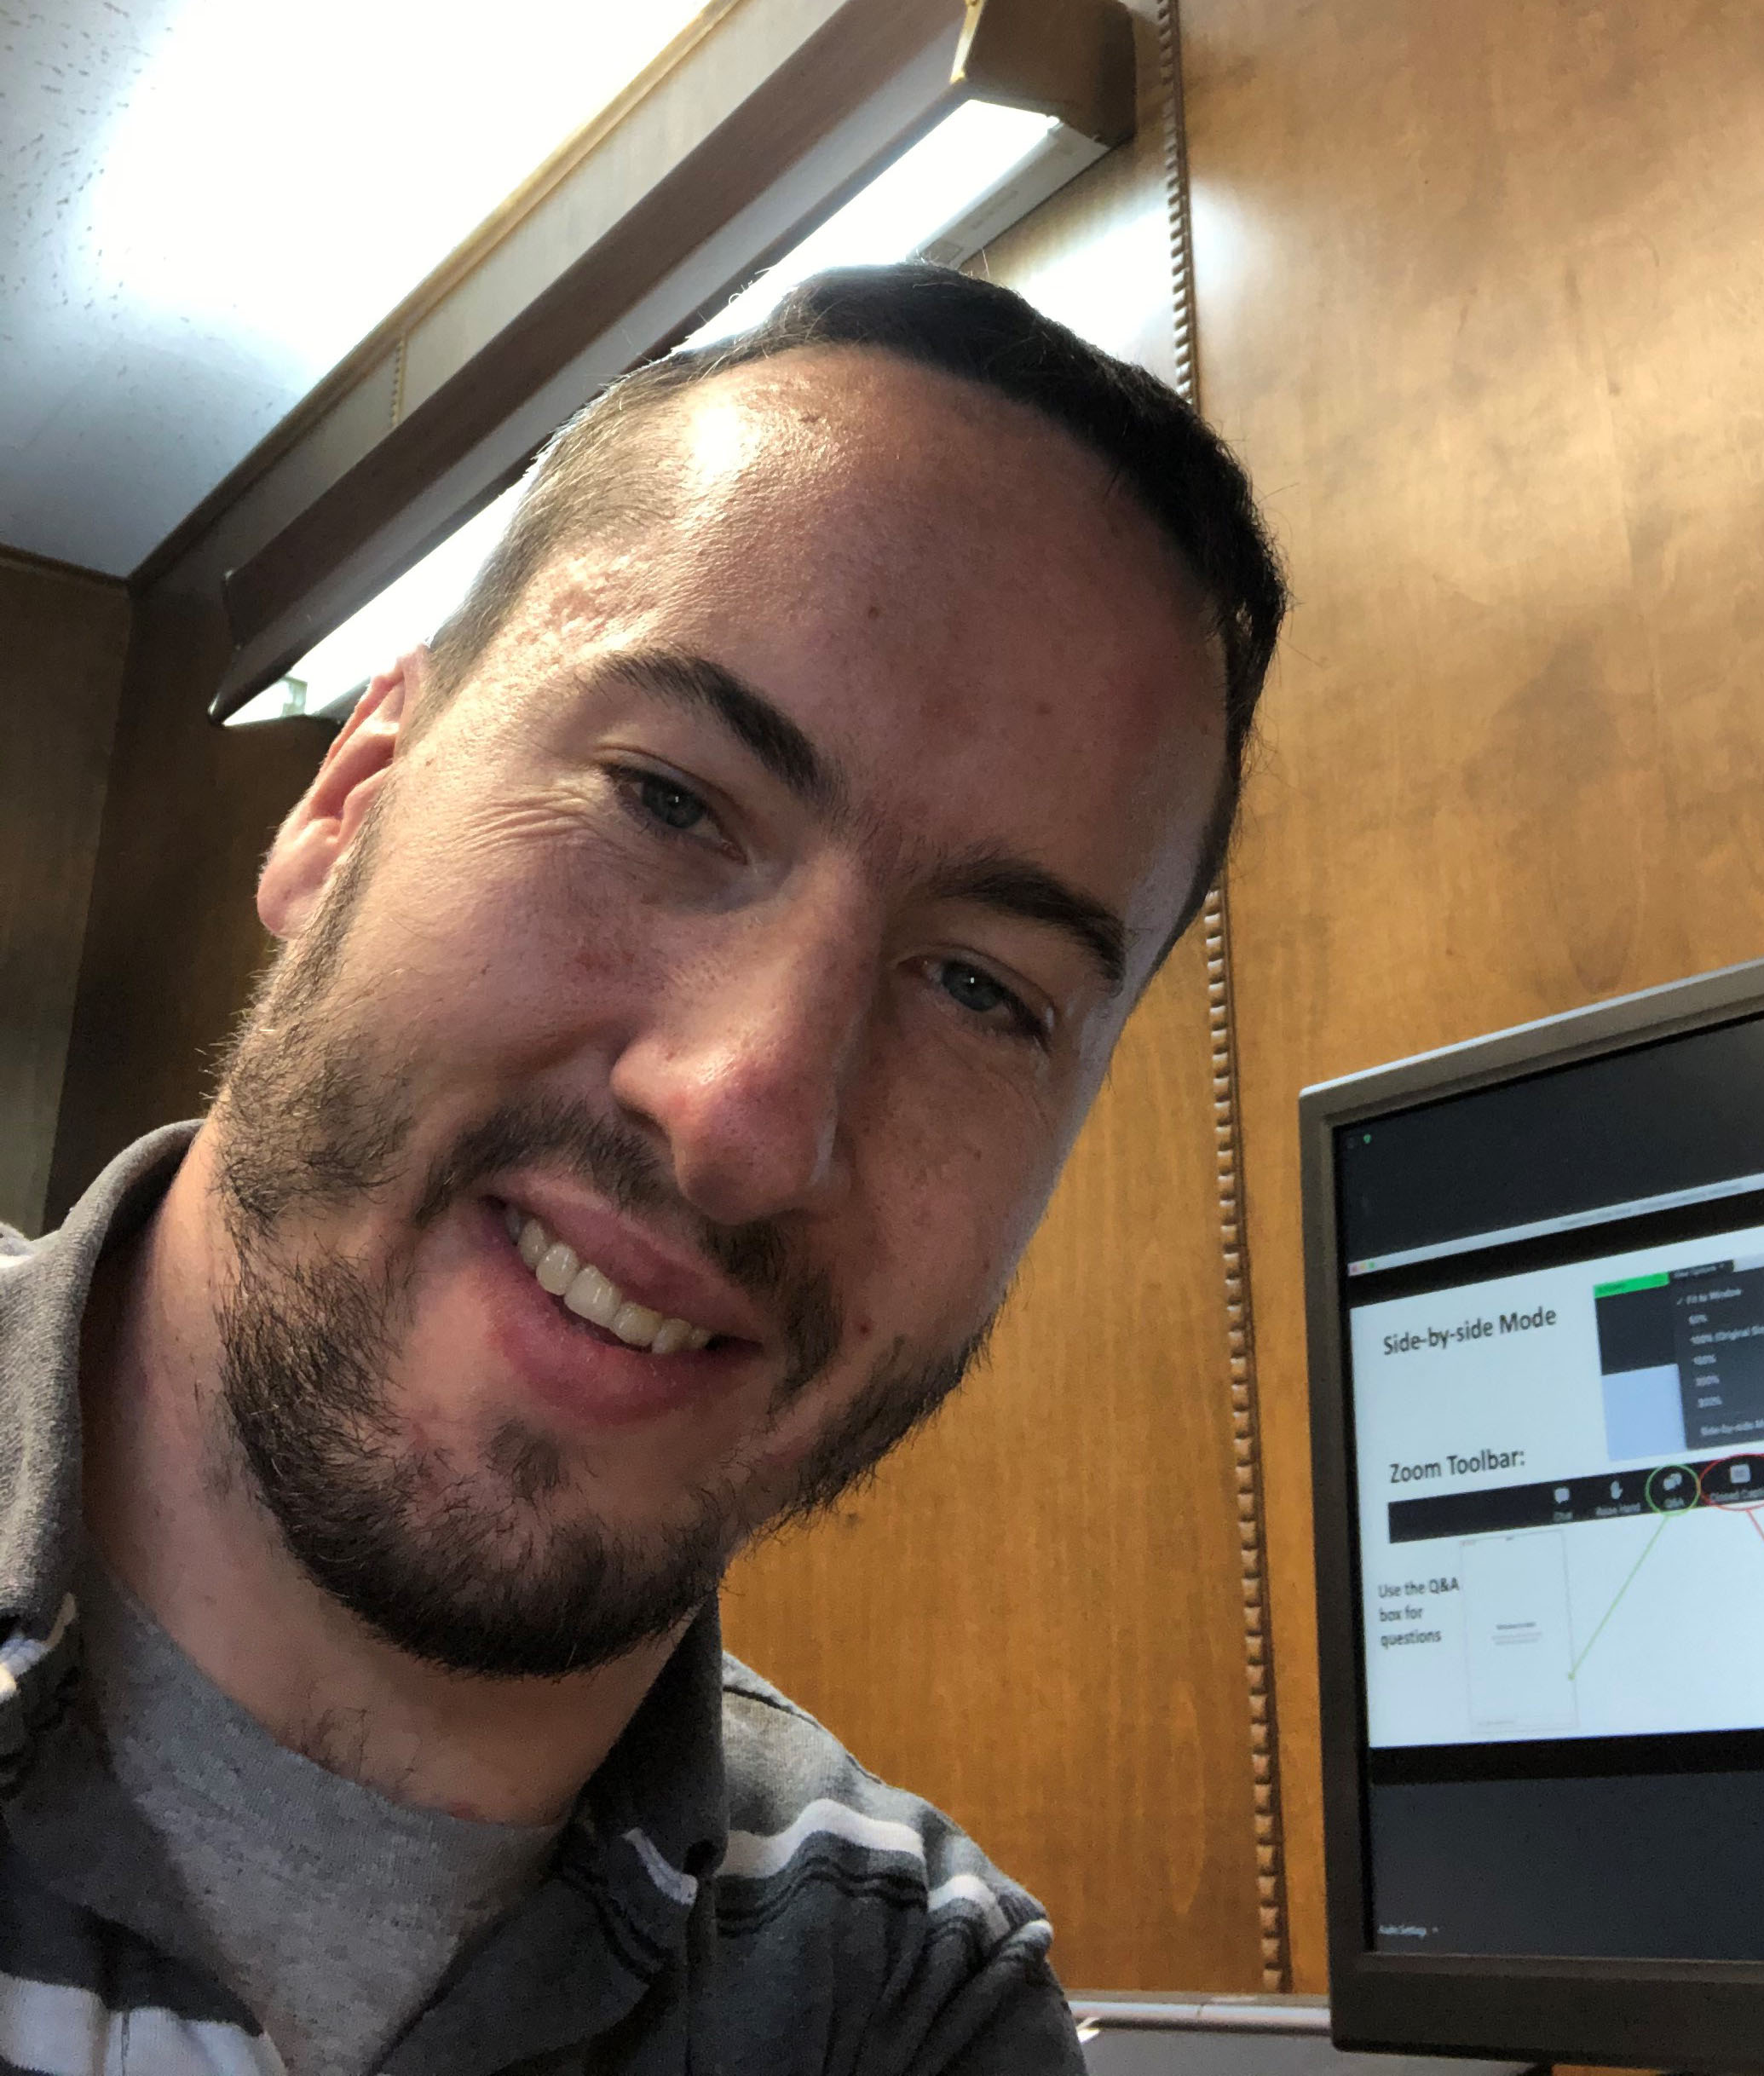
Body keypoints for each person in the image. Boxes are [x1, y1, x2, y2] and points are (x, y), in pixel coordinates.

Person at [0, 263, 1284, 2073]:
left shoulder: (898, 2010)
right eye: (670, 801)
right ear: (350, 798)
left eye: (982, 990)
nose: (747, 1114)